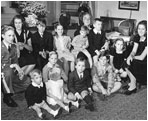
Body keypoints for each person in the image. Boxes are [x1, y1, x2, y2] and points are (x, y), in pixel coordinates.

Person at [1, 25, 31, 107]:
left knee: (27, 81)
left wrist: (20, 71)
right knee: (8, 72)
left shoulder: (14, 46)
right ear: (3, 36)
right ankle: (7, 96)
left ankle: (8, 88)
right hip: (3, 73)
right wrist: (12, 66)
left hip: (11, 72)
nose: (12, 38)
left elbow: (15, 61)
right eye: (9, 35)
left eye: (13, 35)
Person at [125, 20, 147, 95]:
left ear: (146, 30)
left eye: (143, 29)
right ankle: (132, 83)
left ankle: (133, 86)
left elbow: (142, 57)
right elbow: (134, 50)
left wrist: (132, 58)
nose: (140, 31)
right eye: (139, 28)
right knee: (126, 62)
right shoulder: (137, 37)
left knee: (132, 62)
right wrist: (130, 56)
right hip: (137, 57)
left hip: (145, 60)